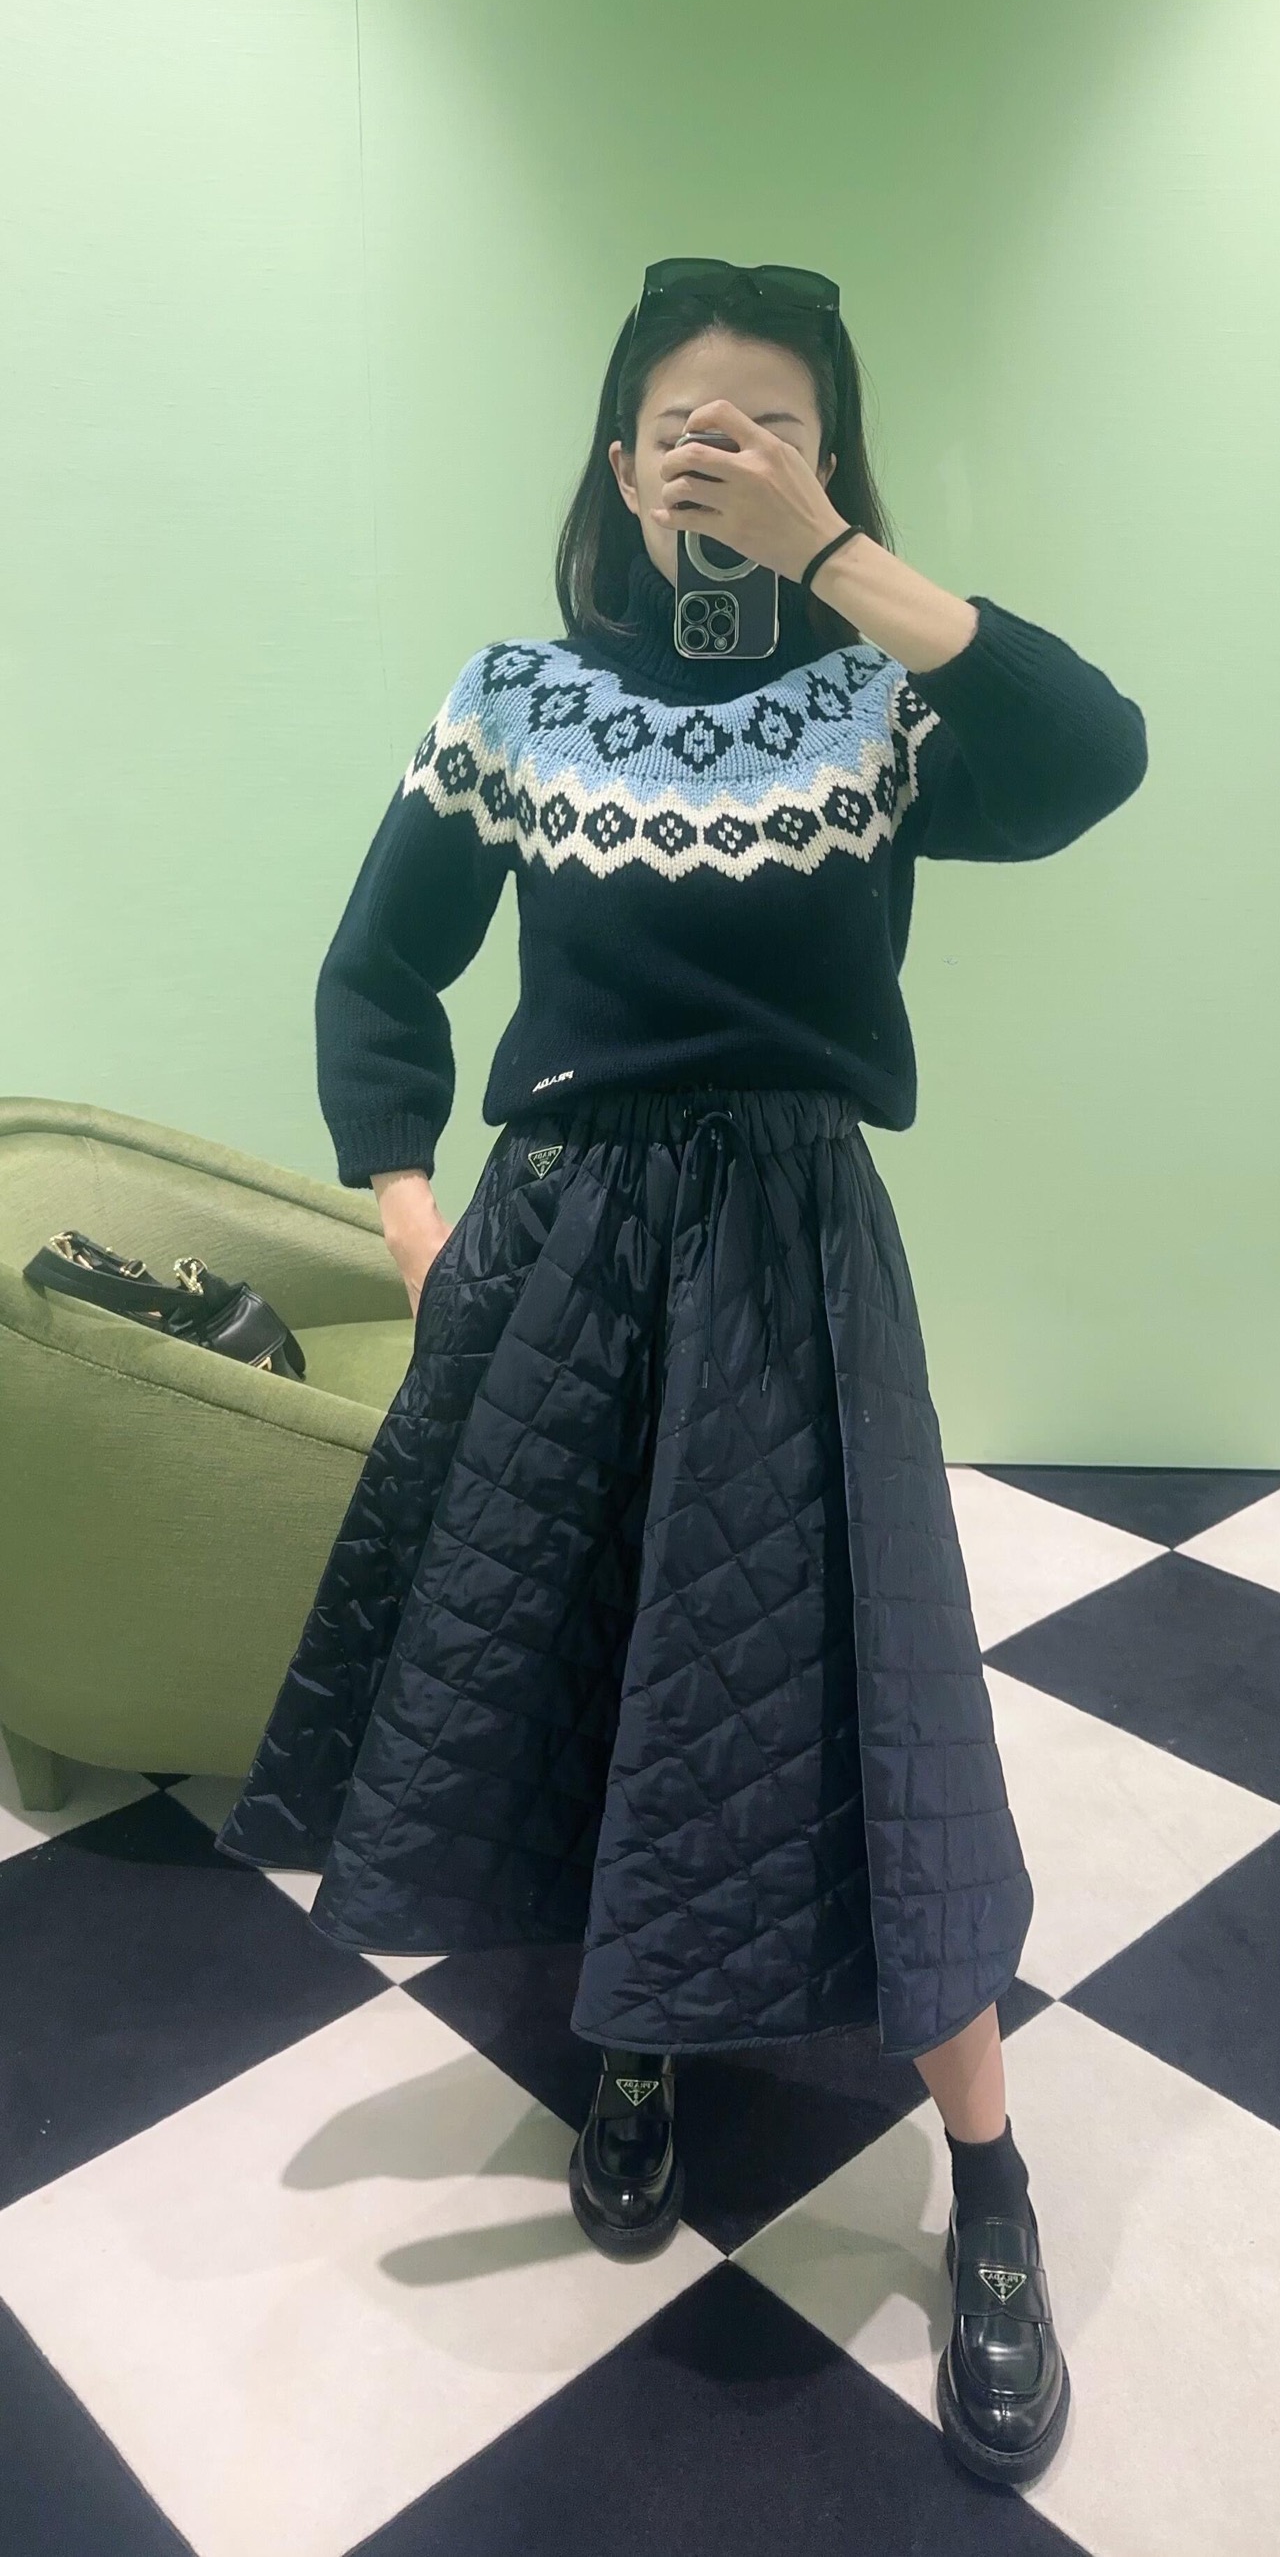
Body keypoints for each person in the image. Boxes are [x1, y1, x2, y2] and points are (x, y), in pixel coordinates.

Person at [217, 258, 1148, 2493]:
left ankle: (988, 2176)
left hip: (796, 1255)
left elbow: (1090, 756)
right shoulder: (522, 697)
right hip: (560, 1250)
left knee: (875, 1697)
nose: (721, 457)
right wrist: (413, 1214)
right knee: (599, 1659)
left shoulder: (874, 700)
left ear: (828, 462)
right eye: (684, 429)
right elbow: (380, 966)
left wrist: (838, 562)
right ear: (618, 462)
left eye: (773, 429)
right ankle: (633, 2034)